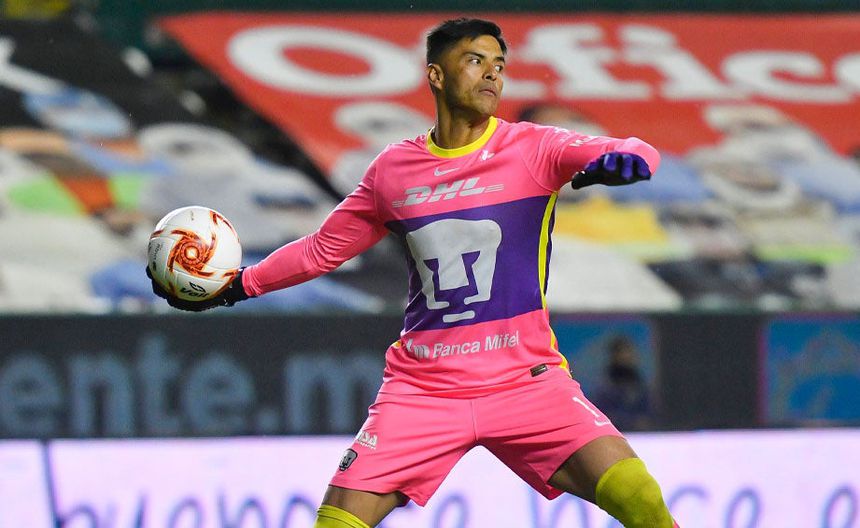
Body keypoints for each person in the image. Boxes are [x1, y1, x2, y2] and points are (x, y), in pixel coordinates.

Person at [148, 18, 679, 528]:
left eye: (499, 64)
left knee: (642, 498)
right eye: (475, 61)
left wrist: (628, 159)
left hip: (526, 381)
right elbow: (322, 250)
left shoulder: (535, 148)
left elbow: (632, 147)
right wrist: (235, 286)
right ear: (436, 75)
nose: (492, 73)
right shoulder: (393, 171)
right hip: (424, 390)